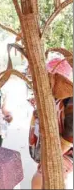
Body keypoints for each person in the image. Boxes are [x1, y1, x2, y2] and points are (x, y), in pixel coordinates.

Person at [29, 58, 73, 189]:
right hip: (55, 151)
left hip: (67, 152)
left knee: (39, 181)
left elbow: (70, 135)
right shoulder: (53, 99)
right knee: (51, 182)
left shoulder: (70, 101)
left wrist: (51, 157)